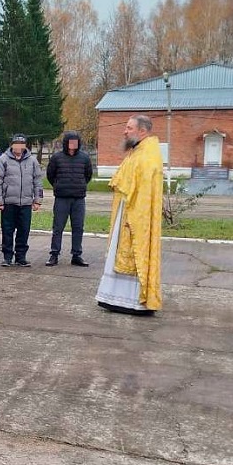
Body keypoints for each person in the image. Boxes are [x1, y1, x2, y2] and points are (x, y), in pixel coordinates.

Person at [96, 115, 163, 315]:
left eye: (129, 128)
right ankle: (114, 298)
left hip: (136, 216)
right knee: (119, 254)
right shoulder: (136, 151)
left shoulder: (148, 155)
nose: (125, 131)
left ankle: (135, 301)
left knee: (135, 255)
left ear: (142, 131)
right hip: (125, 212)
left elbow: (141, 187)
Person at [0, 134, 44, 268]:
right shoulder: (2, 160)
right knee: (7, 231)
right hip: (8, 203)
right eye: (16, 144)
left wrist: (38, 200)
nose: (19, 147)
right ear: (12, 145)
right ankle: (7, 257)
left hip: (26, 203)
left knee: (24, 230)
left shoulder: (33, 161)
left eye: (21, 144)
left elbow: (38, 182)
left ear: (25, 146)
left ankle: (21, 257)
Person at [47, 131, 93, 267]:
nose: (73, 144)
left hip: (78, 198)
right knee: (58, 227)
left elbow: (88, 175)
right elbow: (50, 175)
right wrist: (58, 186)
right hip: (62, 198)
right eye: (70, 141)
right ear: (65, 143)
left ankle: (76, 255)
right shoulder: (56, 158)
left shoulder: (84, 158)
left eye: (75, 141)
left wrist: (80, 185)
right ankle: (54, 254)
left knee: (78, 227)